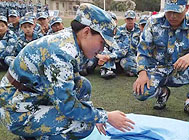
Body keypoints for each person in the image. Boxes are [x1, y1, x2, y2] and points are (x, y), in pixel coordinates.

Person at [0, 3, 134, 140]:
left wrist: (94, 114)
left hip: (29, 95)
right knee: (83, 125)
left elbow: (73, 85)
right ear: (86, 32)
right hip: (16, 110)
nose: (102, 49)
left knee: (83, 85)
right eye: (102, 42)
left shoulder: (71, 39)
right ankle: (32, 136)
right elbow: (68, 107)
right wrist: (104, 116)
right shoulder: (60, 54)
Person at [133, 0, 189, 119]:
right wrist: (142, 73)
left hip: (180, 70)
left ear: (186, 8)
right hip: (157, 69)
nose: (172, 16)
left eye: (177, 12)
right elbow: (143, 50)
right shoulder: (153, 22)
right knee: (140, 92)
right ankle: (163, 92)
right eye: (169, 11)